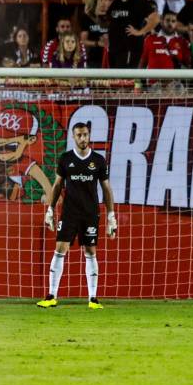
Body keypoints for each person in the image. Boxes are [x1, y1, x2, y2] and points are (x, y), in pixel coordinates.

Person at [39, 122, 118, 309]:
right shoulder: (66, 159)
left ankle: (93, 299)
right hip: (69, 212)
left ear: (89, 136)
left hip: (90, 212)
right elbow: (58, 185)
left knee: (90, 252)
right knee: (60, 249)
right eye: (79, 135)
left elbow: (106, 188)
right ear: (73, 137)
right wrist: (50, 210)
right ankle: (51, 296)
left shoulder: (98, 160)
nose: (83, 138)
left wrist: (111, 216)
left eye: (85, 135)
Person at [106, 0, 159, 68]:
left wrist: (140, 32)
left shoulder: (138, 1)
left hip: (129, 49)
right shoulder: (116, 2)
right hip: (114, 49)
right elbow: (110, 21)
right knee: (115, 79)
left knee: (125, 78)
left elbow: (156, 18)